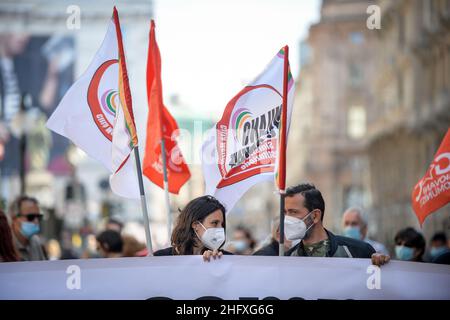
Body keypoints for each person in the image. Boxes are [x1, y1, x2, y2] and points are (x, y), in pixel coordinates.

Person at [283, 183, 389, 266]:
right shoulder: (289, 259)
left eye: (293, 212)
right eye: (285, 213)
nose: (287, 219)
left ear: (315, 216)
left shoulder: (358, 251)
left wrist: (380, 263)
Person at [154, 195, 231, 261]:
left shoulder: (226, 259)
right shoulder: (161, 258)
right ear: (196, 225)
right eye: (214, 223)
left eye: (222, 224)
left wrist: (218, 264)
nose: (220, 229)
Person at [8, 195, 46, 261]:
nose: (36, 221)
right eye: (31, 217)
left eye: (39, 217)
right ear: (14, 219)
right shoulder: (5, 243)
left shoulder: (36, 242)